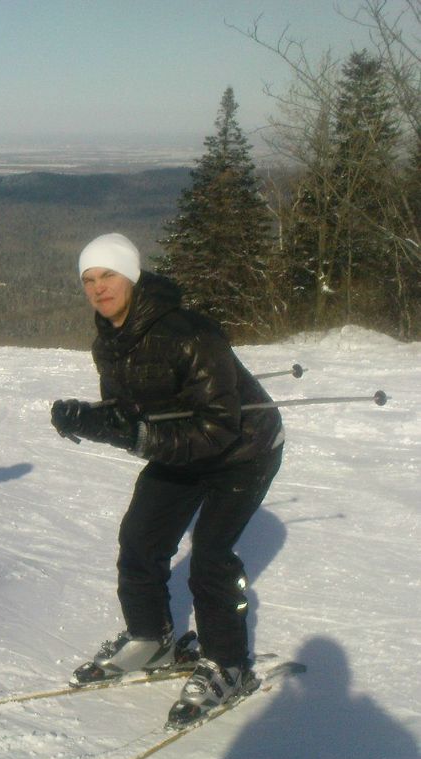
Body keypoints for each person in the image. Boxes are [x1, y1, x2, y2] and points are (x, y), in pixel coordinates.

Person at [51, 233, 284, 727]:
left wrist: (137, 435)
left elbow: (218, 426)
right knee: (140, 539)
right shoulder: (108, 341)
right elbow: (130, 416)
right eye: (89, 279)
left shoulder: (189, 333)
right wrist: (88, 419)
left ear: (132, 276)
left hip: (244, 449)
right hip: (183, 448)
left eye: (107, 275)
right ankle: (151, 639)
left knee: (211, 556)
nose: (98, 288)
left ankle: (229, 664)